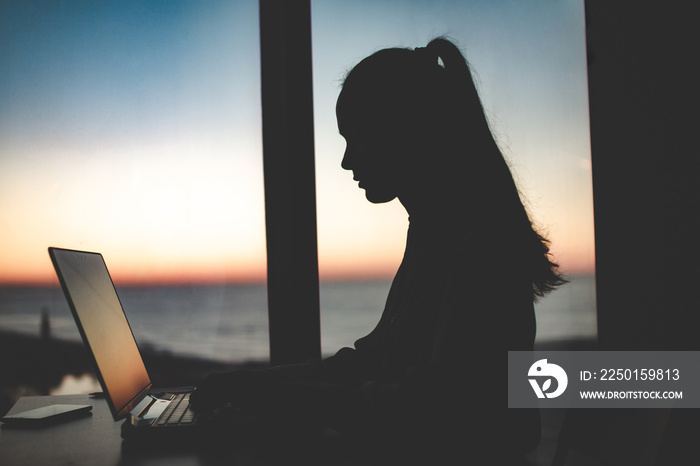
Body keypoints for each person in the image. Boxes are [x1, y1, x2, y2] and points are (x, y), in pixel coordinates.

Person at [191, 37, 565, 464]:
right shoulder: (435, 231)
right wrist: (255, 384)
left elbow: (433, 408)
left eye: (357, 138)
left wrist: (271, 394)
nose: (347, 161)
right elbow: (375, 361)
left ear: (403, 132)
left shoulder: (477, 246)